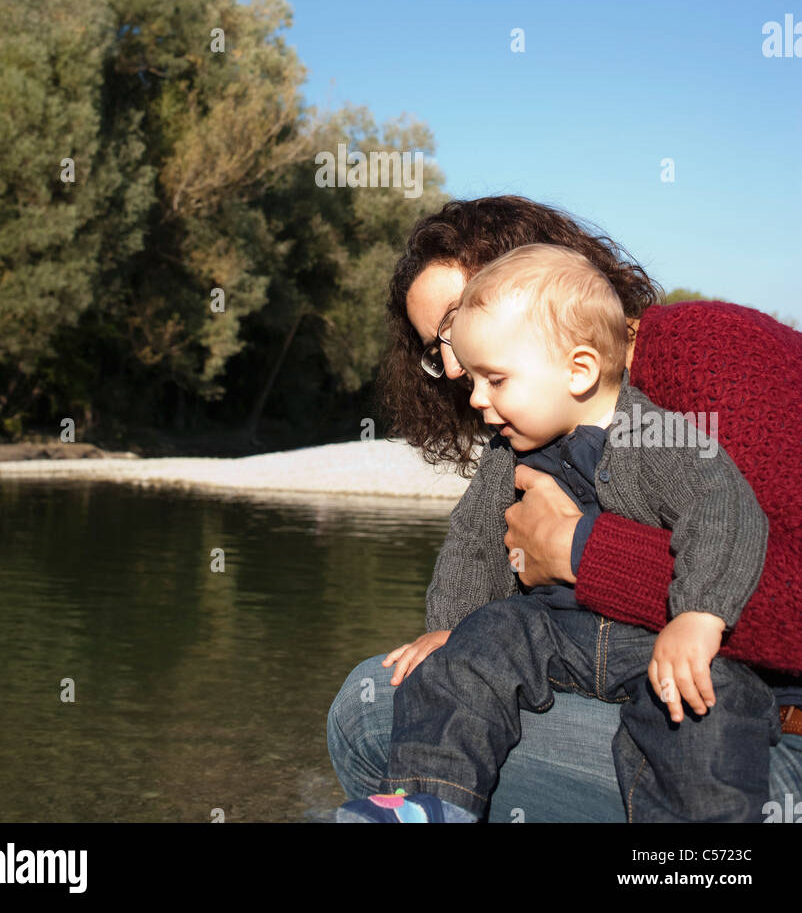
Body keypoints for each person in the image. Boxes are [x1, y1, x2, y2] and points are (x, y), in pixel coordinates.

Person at [326, 197, 802, 823]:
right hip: (618, 672)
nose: (448, 366)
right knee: (414, 681)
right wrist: (455, 627)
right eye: (432, 348)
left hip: (757, 730)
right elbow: (472, 542)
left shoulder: (711, 357)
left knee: (371, 714)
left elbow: (747, 547)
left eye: (452, 324)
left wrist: (582, 551)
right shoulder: (531, 437)